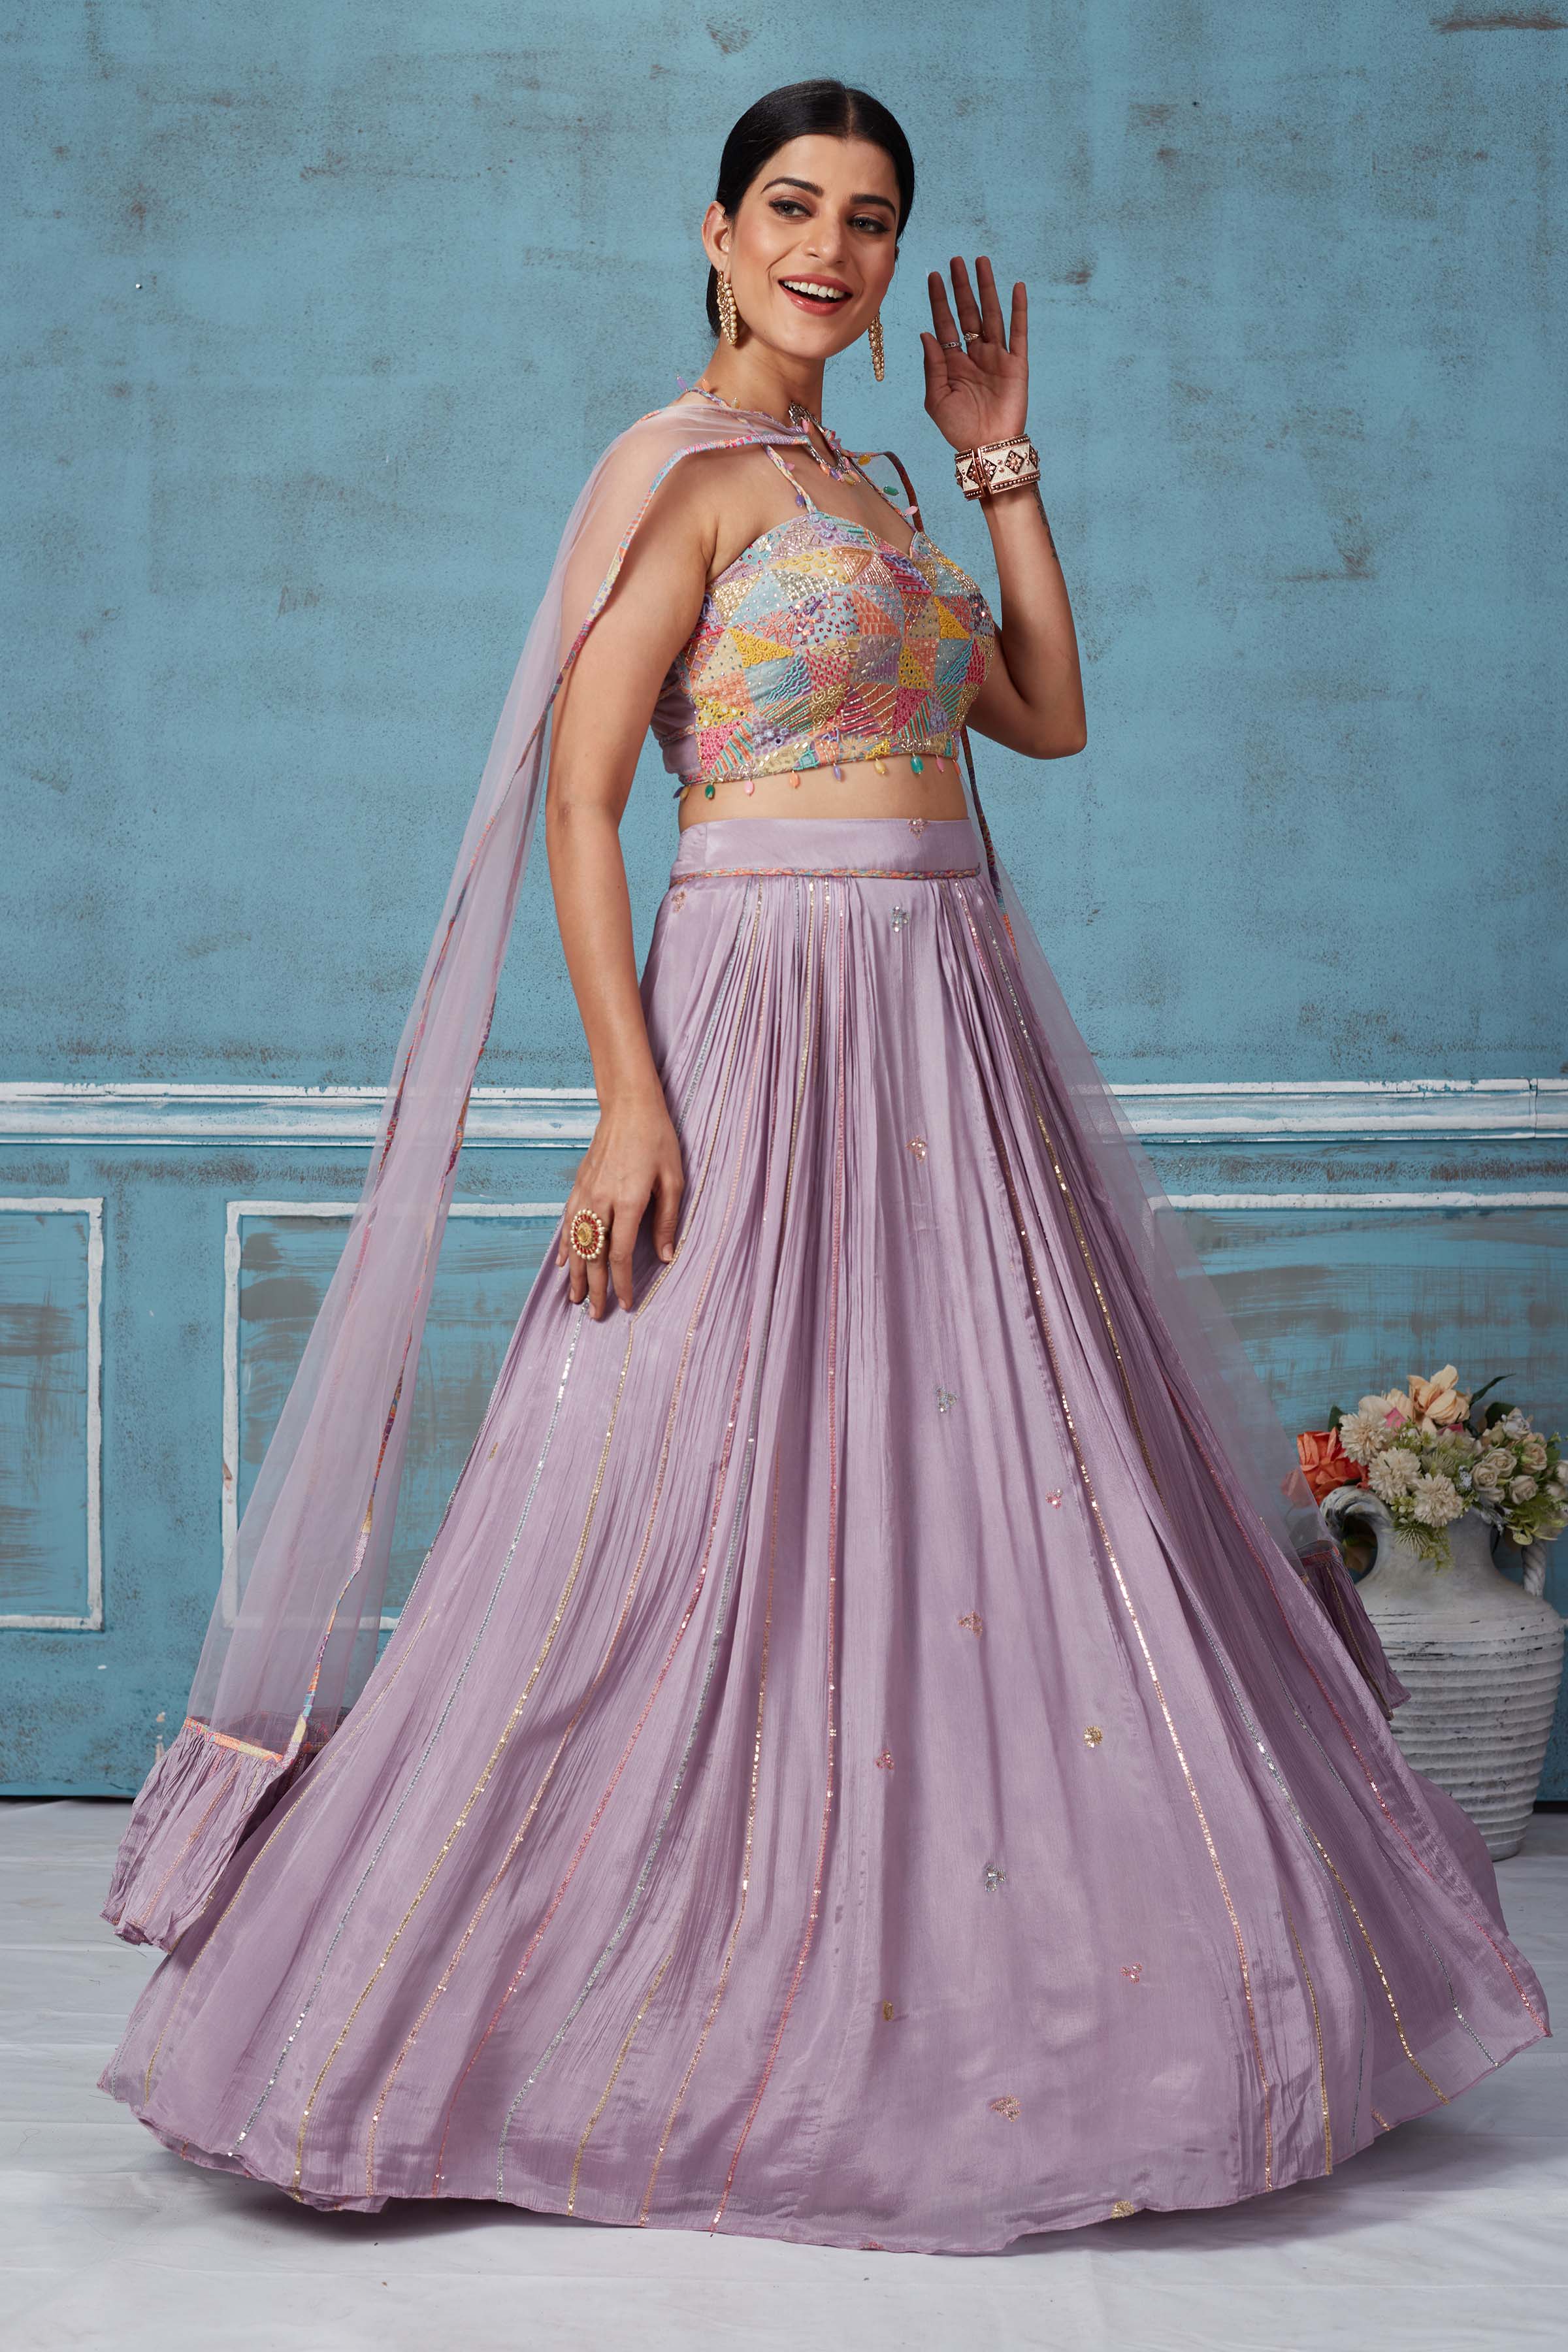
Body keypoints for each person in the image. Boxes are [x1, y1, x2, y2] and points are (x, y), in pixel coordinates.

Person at [97, 80, 1548, 2255]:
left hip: (949, 1015)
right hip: (761, 1011)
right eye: (792, 208)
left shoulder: (871, 482)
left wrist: (998, 459)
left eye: (870, 221)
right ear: (714, 231)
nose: (831, 252)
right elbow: (584, 795)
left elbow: (1040, 714)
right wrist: (629, 1093)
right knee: (661, 1467)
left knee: (1005, 1464)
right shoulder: (669, 469)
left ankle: (1007, 1958)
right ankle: (493, 2010)